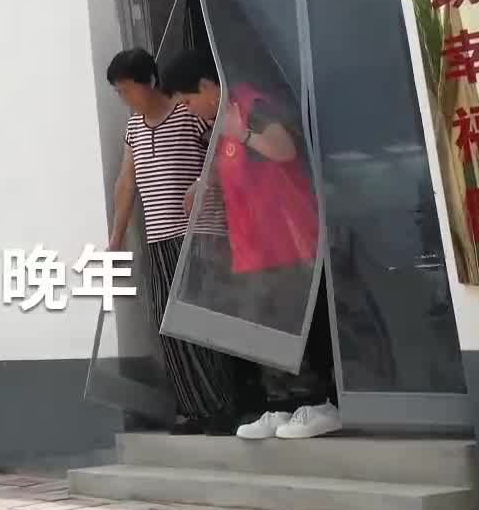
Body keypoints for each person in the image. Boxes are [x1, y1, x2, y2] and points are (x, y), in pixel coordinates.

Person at [161, 50, 340, 440]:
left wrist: (239, 132)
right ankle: (280, 405)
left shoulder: (250, 105)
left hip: (286, 241)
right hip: (251, 248)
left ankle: (318, 404)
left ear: (207, 86)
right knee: (263, 330)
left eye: (188, 101)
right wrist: (202, 184)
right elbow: (229, 167)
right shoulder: (221, 125)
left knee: (297, 326)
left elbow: (283, 148)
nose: (190, 110)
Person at [105, 47, 246, 435]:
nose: (124, 97)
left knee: (205, 319)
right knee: (171, 325)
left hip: (201, 233)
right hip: (159, 237)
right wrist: (116, 237)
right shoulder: (134, 128)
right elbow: (126, 183)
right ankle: (195, 409)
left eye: (127, 88)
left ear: (149, 81)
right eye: (119, 92)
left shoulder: (188, 112)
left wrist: (204, 182)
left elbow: (224, 149)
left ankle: (225, 406)